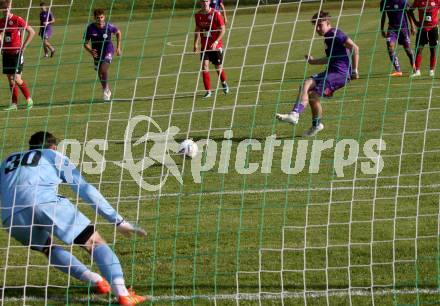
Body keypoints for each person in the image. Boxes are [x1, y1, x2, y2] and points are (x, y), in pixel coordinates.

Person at [0, 131, 148, 306]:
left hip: (11, 216)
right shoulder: (52, 155)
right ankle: (123, 294)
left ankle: (96, 281)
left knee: (49, 249)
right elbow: (84, 188)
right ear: (54, 147)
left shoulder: (8, 160)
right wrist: (118, 221)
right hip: (46, 203)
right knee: (94, 243)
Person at [276, 11, 359, 137]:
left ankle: (298, 116)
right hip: (331, 72)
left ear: (328, 23)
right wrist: (313, 62)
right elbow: (331, 58)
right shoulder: (328, 37)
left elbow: (355, 48)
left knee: (311, 91)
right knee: (308, 89)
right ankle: (307, 120)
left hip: (339, 74)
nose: (318, 29)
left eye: (320, 25)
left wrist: (354, 70)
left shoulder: (335, 33)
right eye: (316, 26)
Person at [0, 0, 34, 111]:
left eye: (6, 10)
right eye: (3, 10)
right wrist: (1, 44)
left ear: (9, 8)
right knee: (10, 79)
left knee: (17, 78)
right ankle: (14, 104)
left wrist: (23, 47)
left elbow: (31, 31)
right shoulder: (1, 21)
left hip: (16, 54)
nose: (4, 12)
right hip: (6, 53)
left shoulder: (17, 19)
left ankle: (29, 99)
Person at [84, 8, 121, 102]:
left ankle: (105, 91)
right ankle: (106, 89)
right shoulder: (90, 28)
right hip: (96, 53)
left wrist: (118, 47)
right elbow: (85, 43)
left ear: (104, 17)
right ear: (94, 18)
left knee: (103, 69)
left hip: (108, 50)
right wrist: (91, 51)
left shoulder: (109, 26)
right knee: (100, 73)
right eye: (97, 18)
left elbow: (118, 32)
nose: (100, 19)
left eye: (101, 17)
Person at [194, 0, 229, 99]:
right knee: (205, 66)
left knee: (218, 67)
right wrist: (195, 43)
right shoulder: (197, 15)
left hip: (216, 46)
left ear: (209, 2)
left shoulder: (216, 13)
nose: (205, 3)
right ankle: (208, 91)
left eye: (206, 1)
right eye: (203, 1)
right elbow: (197, 29)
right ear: (201, 2)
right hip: (205, 46)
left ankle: (224, 82)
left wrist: (216, 42)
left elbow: (223, 29)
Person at [380, 0, 416, 76]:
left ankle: (414, 66)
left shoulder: (403, 1)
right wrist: (382, 28)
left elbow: (409, 13)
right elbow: (383, 15)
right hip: (392, 28)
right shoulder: (384, 2)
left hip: (403, 29)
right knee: (390, 46)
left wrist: (412, 26)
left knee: (408, 49)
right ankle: (398, 70)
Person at [408, 0, 440, 77]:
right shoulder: (418, 1)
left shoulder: (437, 0)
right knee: (418, 49)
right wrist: (415, 22)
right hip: (422, 29)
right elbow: (410, 11)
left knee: (433, 50)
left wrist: (438, 21)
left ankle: (431, 70)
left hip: (433, 28)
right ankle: (417, 71)